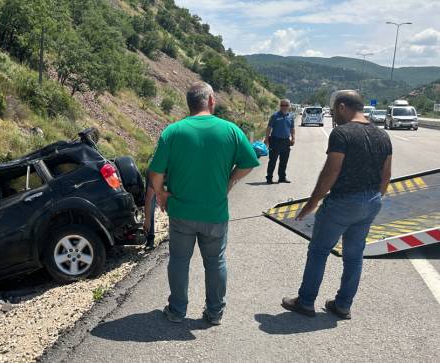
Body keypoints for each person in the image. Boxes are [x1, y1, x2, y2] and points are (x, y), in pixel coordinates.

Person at [149, 83, 260, 325]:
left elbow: (155, 172)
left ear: (189, 104)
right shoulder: (231, 130)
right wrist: (230, 181)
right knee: (215, 261)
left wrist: (161, 194)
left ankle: (177, 311)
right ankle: (214, 313)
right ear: (211, 100)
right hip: (215, 212)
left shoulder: (173, 132)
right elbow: (249, 162)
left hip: (181, 212)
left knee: (179, 260)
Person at [282, 90, 392, 319]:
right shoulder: (383, 135)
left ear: (342, 106)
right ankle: (343, 305)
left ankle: (306, 301)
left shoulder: (342, 133)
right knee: (354, 255)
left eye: (333, 110)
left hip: (342, 203)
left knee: (319, 251)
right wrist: (375, 199)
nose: (333, 115)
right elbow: (386, 175)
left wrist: (311, 204)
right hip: (371, 201)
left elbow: (330, 172)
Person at [265, 99, 295, 184]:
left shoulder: (291, 116)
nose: (284, 107)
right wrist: (266, 139)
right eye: (282, 105)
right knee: (272, 160)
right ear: (280, 106)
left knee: (284, 161)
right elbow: (269, 128)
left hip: (286, 141)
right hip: (275, 141)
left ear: (289, 106)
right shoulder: (275, 116)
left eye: (286, 105)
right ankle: (269, 178)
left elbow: (292, 128)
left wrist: (293, 138)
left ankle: (282, 177)